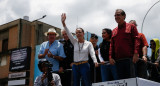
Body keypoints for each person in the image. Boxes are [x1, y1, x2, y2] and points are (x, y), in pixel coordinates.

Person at [61, 13, 98, 86]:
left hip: (84, 65)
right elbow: (68, 33)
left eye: (80, 32)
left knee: (87, 83)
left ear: (83, 33)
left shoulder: (88, 43)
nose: (78, 34)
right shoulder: (74, 42)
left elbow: (92, 53)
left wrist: (95, 61)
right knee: (76, 83)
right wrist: (63, 22)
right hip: (75, 66)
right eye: (76, 33)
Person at [109, 9, 140, 79]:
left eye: (118, 15)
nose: (116, 17)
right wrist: (110, 57)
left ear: (124, 16)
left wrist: (136, 53)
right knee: (121, 82)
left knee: (131, 81)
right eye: (115, 15)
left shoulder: (132, 27)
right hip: (118, 61)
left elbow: (137, 40)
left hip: (130, 60)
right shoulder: (114, 31)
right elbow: (111, 45)